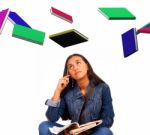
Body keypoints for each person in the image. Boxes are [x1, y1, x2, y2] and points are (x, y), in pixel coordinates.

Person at [39, 53, 115, 135]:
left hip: (93, 133)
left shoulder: (103, 88)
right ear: (69, 74)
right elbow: (51, 118)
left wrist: (83, 130)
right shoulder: (67, 92)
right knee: (44, 126)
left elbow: (108, 119)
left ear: (87, 66)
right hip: (72, 133)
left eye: (78, 63)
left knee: (105, 132)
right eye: (70, 66)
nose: (75, 68)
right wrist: (57, 91)